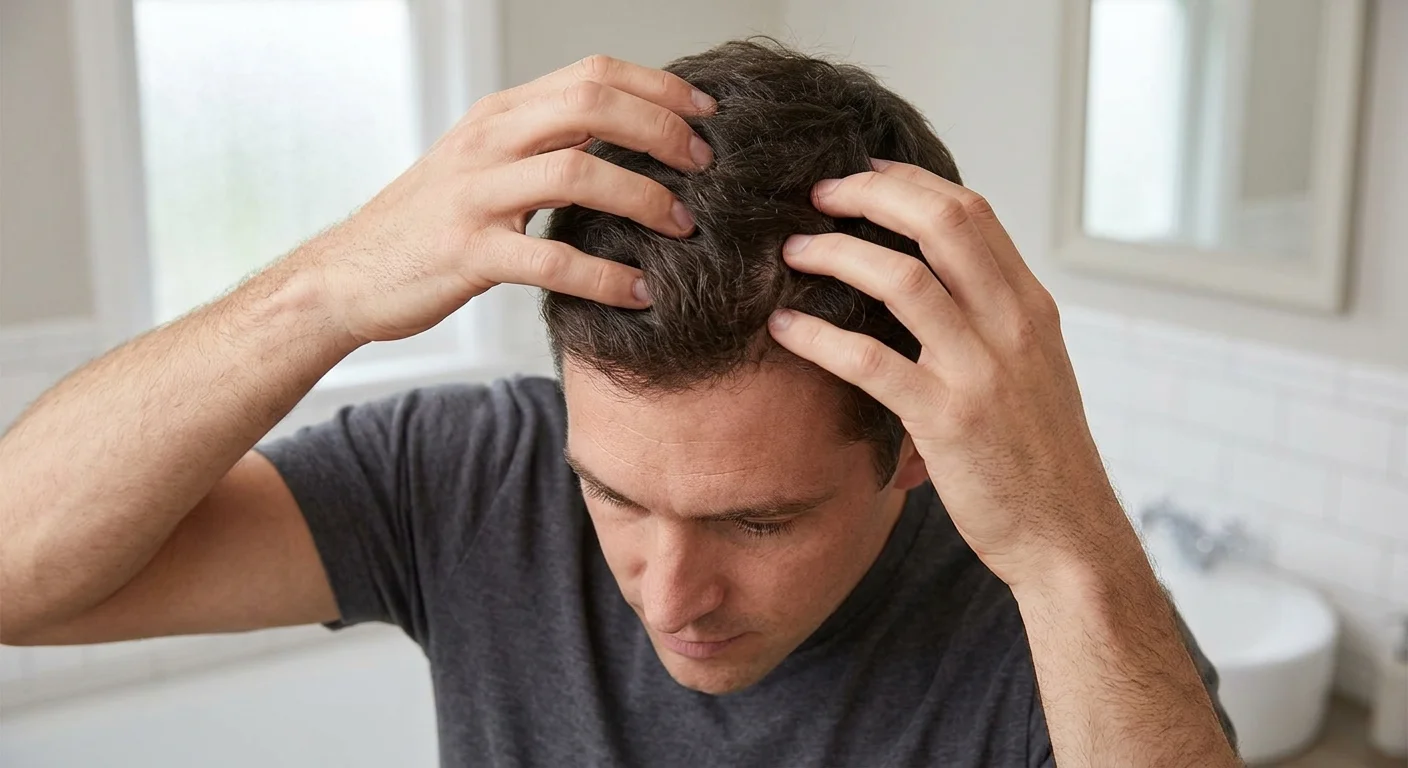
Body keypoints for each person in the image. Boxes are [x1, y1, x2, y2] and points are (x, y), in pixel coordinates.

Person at [0, 39, 1238, 767]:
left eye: (759, 522)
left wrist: (1071, 544)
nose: (664, 592)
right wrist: (319, 291)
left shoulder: (1060, 634)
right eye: (613, 493)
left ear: (910, 448)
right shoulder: (473, 473)